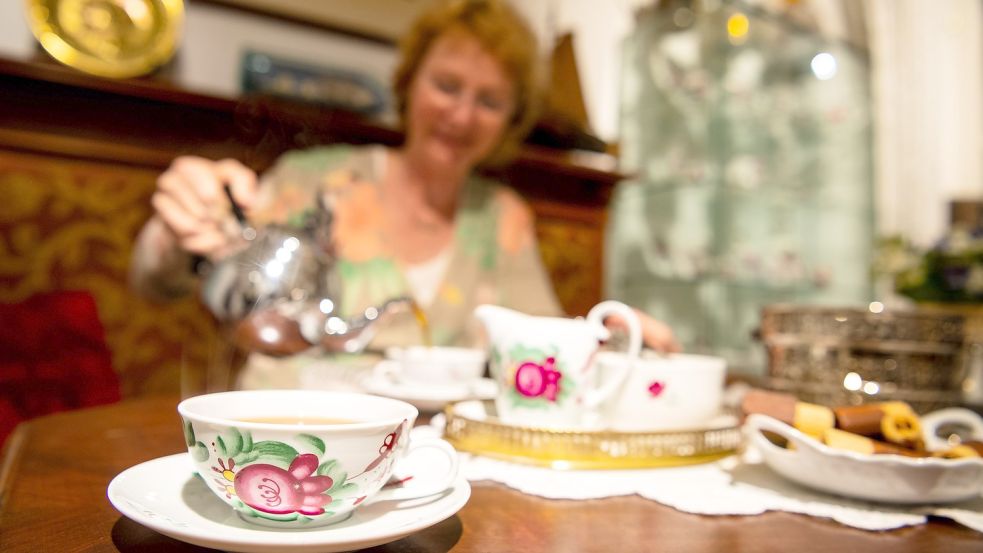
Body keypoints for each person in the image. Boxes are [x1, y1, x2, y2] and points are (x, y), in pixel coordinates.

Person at [130, 0, 679, 389]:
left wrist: (603, 335)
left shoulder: (503, 217)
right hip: (285, 451)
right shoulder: (313, 181)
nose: (461, 115)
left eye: (489, 101)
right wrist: (175, 230)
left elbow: (534, 342)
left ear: (511, 121)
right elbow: (163, 283)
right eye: (446, 86)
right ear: (409, 83)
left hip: (433, 466)